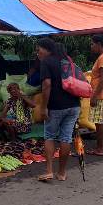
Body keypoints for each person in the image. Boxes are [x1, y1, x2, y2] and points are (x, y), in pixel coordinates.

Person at [37, 38, 80, 182]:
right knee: (65, 138)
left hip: (56, 106)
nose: (38, 53)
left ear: (46, 49)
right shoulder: (67, 60)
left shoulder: (47, 62)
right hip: (74, 105)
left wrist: (43, 107)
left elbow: (47, 85)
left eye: (39, 49)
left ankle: (49, 171)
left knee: (49, 136)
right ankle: (62, 173)